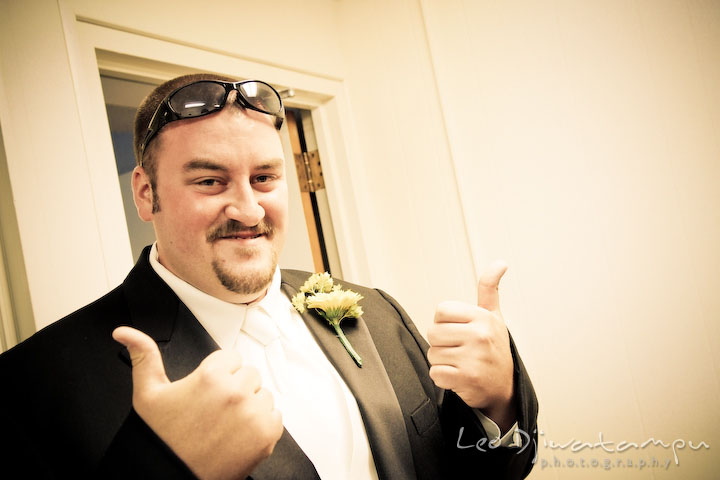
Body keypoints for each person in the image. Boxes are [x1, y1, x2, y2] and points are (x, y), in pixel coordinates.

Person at [0, 73, 538, 479]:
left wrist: (497, 405)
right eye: (210, 181)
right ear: (146, 193)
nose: (249, 210)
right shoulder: (36, 385)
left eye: (264, 177)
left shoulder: (375, 311)